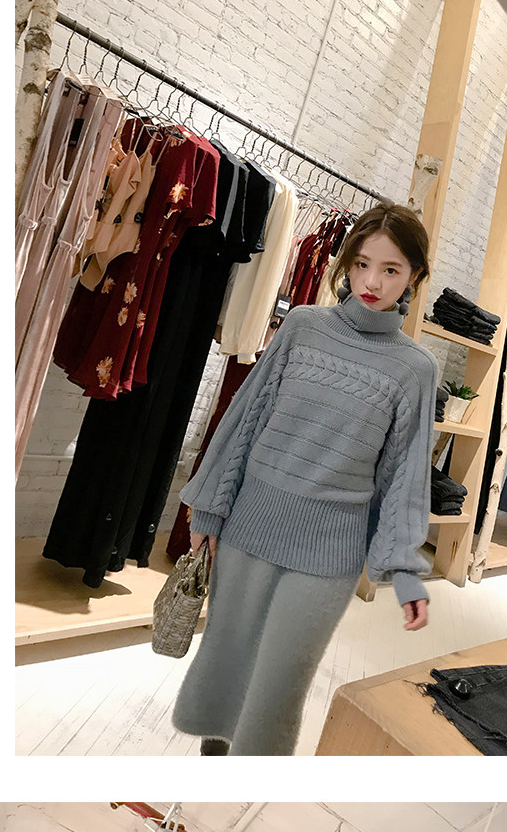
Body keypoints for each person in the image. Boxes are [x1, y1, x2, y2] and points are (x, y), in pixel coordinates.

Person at [171, 206, 437, 754]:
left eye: (390, 269)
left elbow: (404, 477)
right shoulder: (303, 326)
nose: (371, 281)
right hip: (249, 529)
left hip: (329, 551)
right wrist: (209, 509)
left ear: (415, 275)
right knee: (226, 659)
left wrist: (405, 573)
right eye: (361, 263)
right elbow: (245, 420)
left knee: (279, 683)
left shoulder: (415, 368)